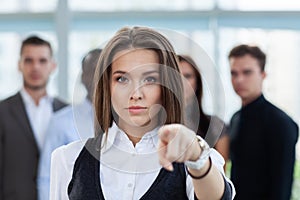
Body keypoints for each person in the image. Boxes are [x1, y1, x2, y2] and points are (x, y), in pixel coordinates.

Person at [50, 26, 235, 200]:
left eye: (150, 79)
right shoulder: (68, 159)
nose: (135, 94)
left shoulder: (197, 160)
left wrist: (195, 154)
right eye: (122, 79)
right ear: (107, 86)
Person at [0, 35, 67, 200]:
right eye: (29, 60)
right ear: (19, 65)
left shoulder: (66, 112)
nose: (35, 67)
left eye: (42, 61)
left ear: (53, 66)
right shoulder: (2, 111)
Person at [228, 44, 299, 200]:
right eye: (234, 73)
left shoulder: (281, 123)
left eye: (247, 72)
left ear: (263, 74)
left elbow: (282, 186)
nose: (239, 79)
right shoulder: (235, 119)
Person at [37, 48, 101, 200]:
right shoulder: (61, 122)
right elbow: (47, 178)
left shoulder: (128, 121)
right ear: (82, 77)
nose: (98, 76)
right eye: (92, 70)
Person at [178, 54, 230, 165]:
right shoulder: (153, 126)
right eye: (176, 76)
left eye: (187, 76)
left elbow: (221, 178)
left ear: (197, 82)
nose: (182, 82)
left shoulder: (216, 126)